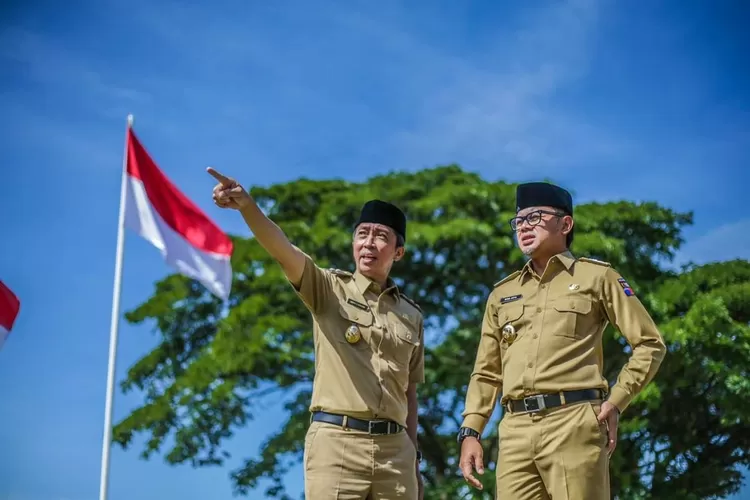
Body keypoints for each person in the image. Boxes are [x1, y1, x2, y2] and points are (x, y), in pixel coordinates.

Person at [207, 167, 425, 500]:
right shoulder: (328, 289)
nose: (369, 242)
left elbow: (409, 392)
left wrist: (413, 460)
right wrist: (247, 207)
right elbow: (283, 249)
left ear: (398, 251)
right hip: (337, 443)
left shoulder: (411, 316)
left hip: (396, 453)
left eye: (381, 235)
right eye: (362, 233)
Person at [456, 181, 667, 499]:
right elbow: (486, 372)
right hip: (514, 430)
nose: (524, 227)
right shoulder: (501, 294)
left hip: (574, 422)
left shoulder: (597, 277)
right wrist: (471, 431)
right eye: (519, 220)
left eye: (535, 216)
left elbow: (649, 343)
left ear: (565, 223)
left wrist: (617, 401)